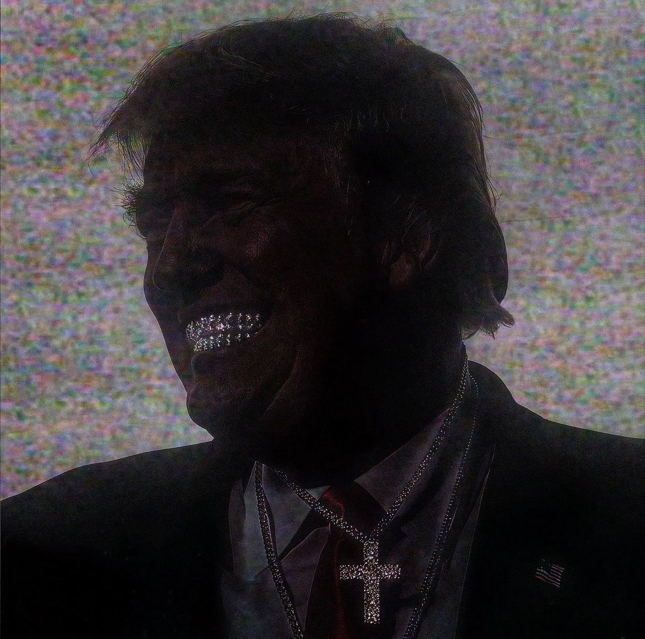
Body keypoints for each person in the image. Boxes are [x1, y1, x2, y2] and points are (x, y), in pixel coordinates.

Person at [2, 14, 642, 639]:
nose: (168, 268)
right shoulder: (39, 559)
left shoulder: (627, 525)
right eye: (153, 224)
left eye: (231, 202)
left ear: (406, 235)